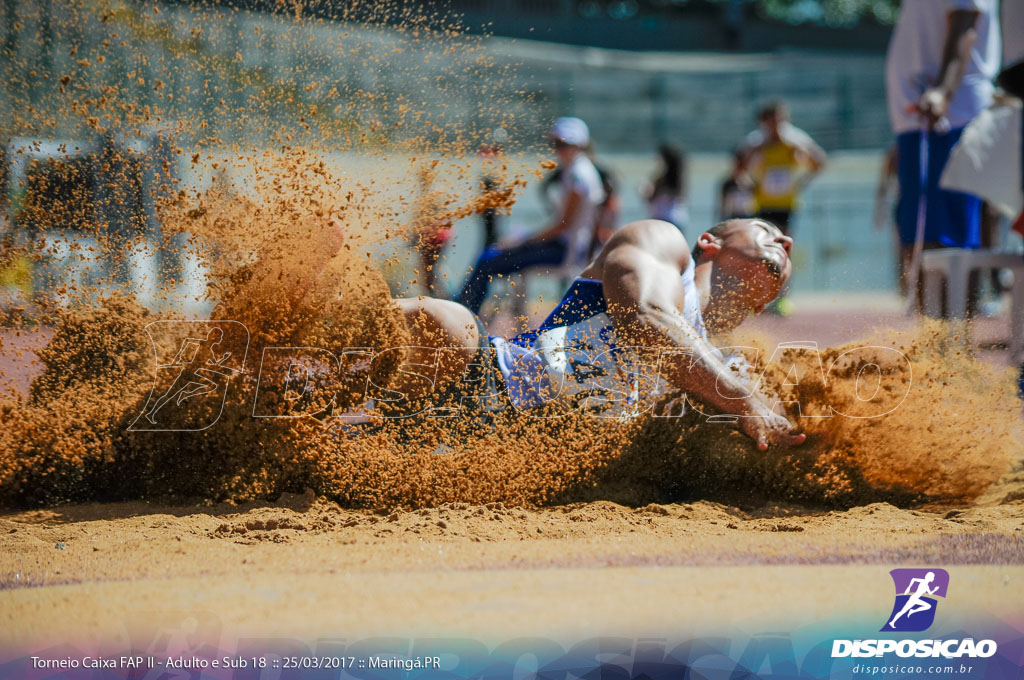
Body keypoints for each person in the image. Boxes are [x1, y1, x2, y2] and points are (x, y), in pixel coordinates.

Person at [396, 217, 805, 451]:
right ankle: (341, 307)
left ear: (762, 306)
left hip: (517, 449)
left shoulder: (726, 369)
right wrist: (745, 400)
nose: (784, 239)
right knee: (449, 324)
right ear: (709, 241)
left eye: (784, 242)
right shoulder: (663, 244)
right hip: (492, 377)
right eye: (763, 230)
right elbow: (644, 317)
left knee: (369, 447)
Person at [885, 0, 1000, 299]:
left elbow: (965, 26)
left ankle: (953, 338)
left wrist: (943, 91)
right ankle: (935, 337)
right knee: (922, 237)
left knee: (948, 239)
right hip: (919, 122)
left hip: (950, 119)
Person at [457, 117, 605, 314]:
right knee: (491, 256)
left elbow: (564, 225)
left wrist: (523, 241)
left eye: (563, 144)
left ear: (579, 145)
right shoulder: (579, 170)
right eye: (555, 143)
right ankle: (466, 313)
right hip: (567, 248)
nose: (557, 149)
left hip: (563, 251)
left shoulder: (578, 175)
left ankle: (464, 315)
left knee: (488, 260)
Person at [743, 101, 827, 235]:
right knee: (763, 240)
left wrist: (803, 181)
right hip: (763, 201)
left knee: (783, 241)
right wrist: (750, 183)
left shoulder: (794, 139)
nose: (776, 124)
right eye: (772, 119)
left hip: (786, 202)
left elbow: (819, 161)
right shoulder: (756, 141)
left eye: (780, 119)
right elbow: (741, 165)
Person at [409, 164, 453, 297]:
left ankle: (438, 299)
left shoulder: (431, 195)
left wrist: (415, 236)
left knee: (428, 273)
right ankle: (437, 297)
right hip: (436, 237)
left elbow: (425, 219)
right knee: (429, 272)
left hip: (433, 238)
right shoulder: (434, 193)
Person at [644, 144, 688, 235]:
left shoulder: (661, 180)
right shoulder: (679, 179)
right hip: (678, 219)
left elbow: (650, 199)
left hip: (661, 219)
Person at [719, 147, 756, 222]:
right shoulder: (729, 182)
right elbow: (723, 204)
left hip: (748, 216)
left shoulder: (751, 181)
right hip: (733, 216)